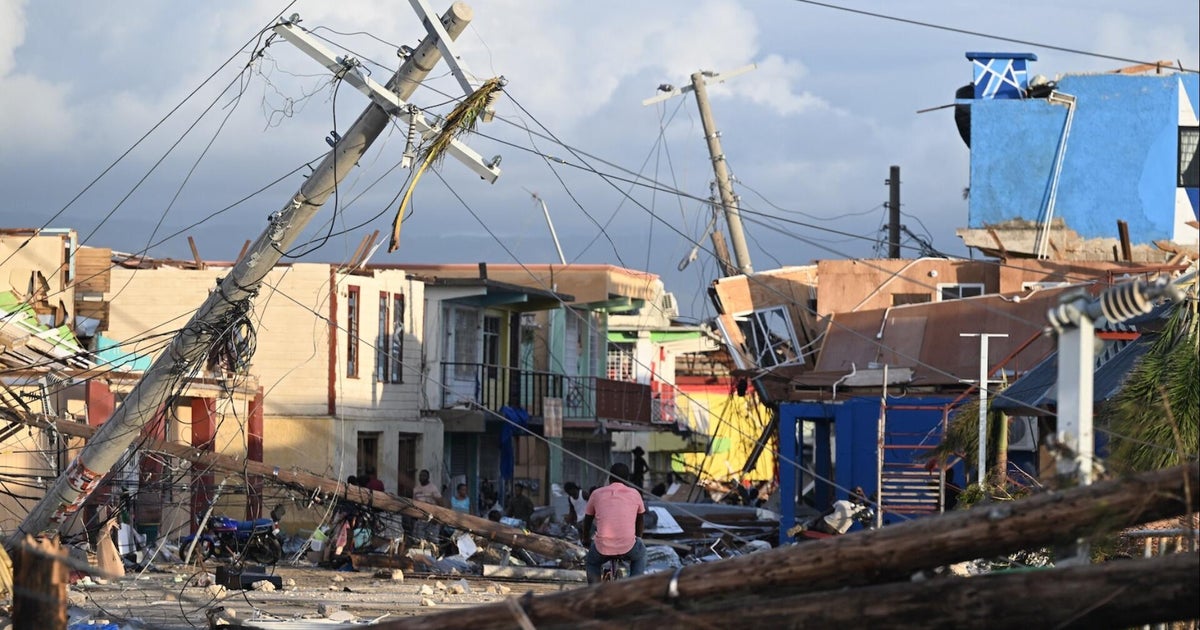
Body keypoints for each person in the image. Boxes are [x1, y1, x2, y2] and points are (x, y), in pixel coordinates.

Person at [581, 462, 646, 584]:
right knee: (640, 555)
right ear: (627, 479)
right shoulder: (635, 493)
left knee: (592, 562)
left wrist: (585, 539)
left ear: (610, 478)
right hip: (628, 546)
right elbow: (640, 519)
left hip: (602, 547)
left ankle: (593, 592)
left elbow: (588, 520)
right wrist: (638, 538)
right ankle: (635, 586)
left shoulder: (596, 493)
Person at [411, 469, 443, 544]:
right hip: (420, 518)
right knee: (419, 540)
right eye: (420, 476)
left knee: (432, 540)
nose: (422, 477)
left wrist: (437, 517)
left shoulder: (433, 488)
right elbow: (414, 503)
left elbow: (440, 502)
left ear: (428, 477)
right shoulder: (416, 489)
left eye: (424, 476)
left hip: (432, 518)